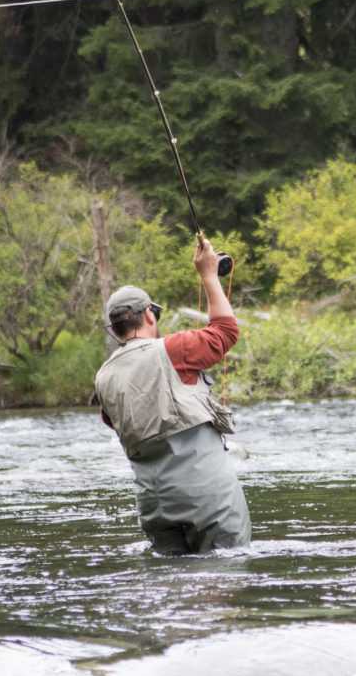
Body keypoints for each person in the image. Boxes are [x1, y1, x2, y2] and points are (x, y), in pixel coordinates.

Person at [94, 236, 251, 554]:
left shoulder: (103, 377)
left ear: (114, 329)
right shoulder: (172, 349)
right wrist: (209, 276)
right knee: (226, 571)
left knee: (172, 578)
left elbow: (116, 423)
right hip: (207, 498)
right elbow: (226, 331)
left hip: (154, 506)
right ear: (149, 315)